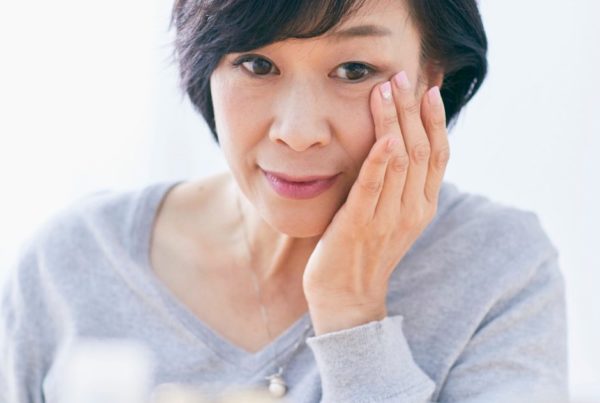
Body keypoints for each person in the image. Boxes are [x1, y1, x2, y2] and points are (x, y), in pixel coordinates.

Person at [0, 0, 568, 402]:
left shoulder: (499, 269)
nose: (298, 131)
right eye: (256, 64)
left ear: (431, 80)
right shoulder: (72, 261)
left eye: (354, 69)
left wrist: (352, 315)